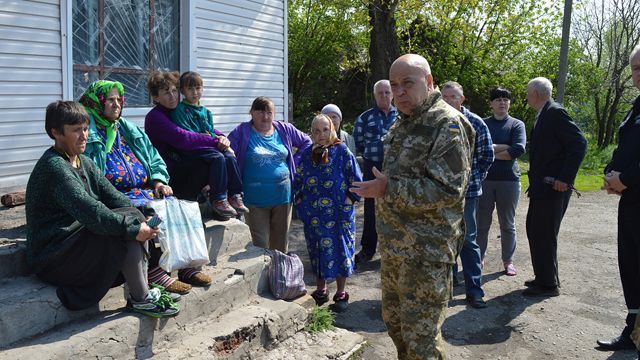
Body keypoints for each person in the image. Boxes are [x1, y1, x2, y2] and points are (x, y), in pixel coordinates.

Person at [351, 54, 474, 359]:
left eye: (408, 83)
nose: (399, 92)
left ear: (429, 82)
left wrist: (388, 188)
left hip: (426, 253)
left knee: (421, 341)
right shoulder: (403, 120)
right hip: (396, 249)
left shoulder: (448, 124)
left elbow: (447, 191)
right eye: (394, 85)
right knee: (396, 326)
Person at [26, 100, 178, 318]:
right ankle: (140, 299)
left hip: (76, 240)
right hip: (53, 253)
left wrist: (143, 218)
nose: (84, 135)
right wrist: (134, 228)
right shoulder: (54, 167)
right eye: (76, 130)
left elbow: (114, 197)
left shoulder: (83, 161)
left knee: (133, 215)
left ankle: (141, 290)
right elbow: (91, 210)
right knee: (125, 230)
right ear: (56, 133)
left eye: (86, 129)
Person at [81, 80, 212, 296]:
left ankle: (188, 265)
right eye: (110, 100)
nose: (116, 104)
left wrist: (159, 180)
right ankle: (154, 271)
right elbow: (90, 172)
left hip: (144, 189)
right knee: (147, 215)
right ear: (97, 102)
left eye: (118, 100)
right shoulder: (90, 132)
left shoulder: (126, 128)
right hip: (117, 195)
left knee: (177, 206)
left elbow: (153, 157)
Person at [524, 77, 586, 297]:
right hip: (542, 187)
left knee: (544, 233)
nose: (526, 97)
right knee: (535, 229)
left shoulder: (555, 113)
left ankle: (549, 285)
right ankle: (544, 277)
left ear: (537, 94)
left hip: (553, 187)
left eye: (528, 93)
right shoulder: (545, 114)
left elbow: (579, 144)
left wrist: (565, 178)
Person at [294, 114, 362, 312]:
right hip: (314, 215)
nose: (321, 134)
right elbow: (298, 179)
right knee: (317, 251)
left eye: (325, 129)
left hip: (339, 214)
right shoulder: (307, 153)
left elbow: (356, 178)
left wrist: (349, 200)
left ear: (331, 129)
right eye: (316, 130)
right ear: (311, 132)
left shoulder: (341, 150)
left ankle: (341, 292)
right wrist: (301, 203)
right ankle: (321, 290)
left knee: (341, 250)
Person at [597, 45, 640, 352]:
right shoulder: (636, 106)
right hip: (631, 201)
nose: (638, 73)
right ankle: (634, 332)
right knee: (632, 265)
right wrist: (611, 173)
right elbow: (623, 148)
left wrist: (625, 178)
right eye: (635, 68)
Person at [227, 97, 312, 252]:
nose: (265, 117)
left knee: (280, 245)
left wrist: (295, 161)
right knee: (260, 245)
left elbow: (307, 142)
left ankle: (278, 275)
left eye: (269, 112)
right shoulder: (242, 131)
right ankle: (263, 276)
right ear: (251, 113)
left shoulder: (284, 129)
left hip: (283, 198)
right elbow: (226, 151)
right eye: (260, 112)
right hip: (254, 200)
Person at [442, 81, 494, 309]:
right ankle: (448, 288)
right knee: (446, 239)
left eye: (453, 96)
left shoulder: (475, 123)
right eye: (444, 96)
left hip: (468, 193)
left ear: (461, 99)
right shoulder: (438, 122)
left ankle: (475, 290)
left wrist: (472, 180)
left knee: (468, 240)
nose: (448, 100)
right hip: (441, 193)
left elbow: (486, 156)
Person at [169, 71, 248, 218]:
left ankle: (235, 195)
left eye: (198, 88)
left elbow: (210, 132)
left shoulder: (206, 112)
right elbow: (187, 134)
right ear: (182, 91)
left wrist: (214, 137)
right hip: (192, 151)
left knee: (229, 157)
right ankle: (218, 198)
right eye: (190, 89)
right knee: (218, 157)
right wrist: (206, 137)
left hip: (208, 147)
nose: (195, 92)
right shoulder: (179, 110)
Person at [476, 87, 526, 276]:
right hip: (485, 180)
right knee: (482, 223)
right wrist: (502, 147)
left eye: (506, 99)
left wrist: (490, 151)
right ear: (491, 103)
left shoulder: (516, 125)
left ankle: (508, 261)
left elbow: (518, 149)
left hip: (509, 181)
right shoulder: (482, 123)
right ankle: (479, 257)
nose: (502, 102)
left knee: (508, 224)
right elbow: (477, 149)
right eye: (498, 99)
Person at [352, 79, 398, 263]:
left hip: (395, 169)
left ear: (392, 94)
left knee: (395, 209)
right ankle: (368, 249)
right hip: (372, 167)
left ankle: (394, 251)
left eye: (387, 92)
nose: (384, 96)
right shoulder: (365, 117)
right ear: (375, 95)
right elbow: (358, 141)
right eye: (381, 93)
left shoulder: (402, 116)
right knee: (371, 210)